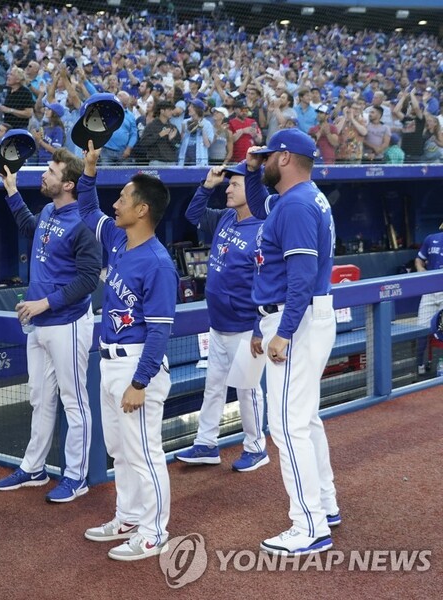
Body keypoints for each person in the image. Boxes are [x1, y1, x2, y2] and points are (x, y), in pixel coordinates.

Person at [77, 140, 176, 561]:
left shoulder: (157, 262)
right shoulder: (119, 244)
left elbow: (159, 333)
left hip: (138, 365)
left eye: (122, 198)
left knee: (145, 452)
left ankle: (156, 531)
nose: (114, 204)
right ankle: (129, 516)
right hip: (111, 361)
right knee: (120, 450)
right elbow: (86, 211)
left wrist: (140, 382)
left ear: (142, 210)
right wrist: (89, 170)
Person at [244, 128, 339, 556]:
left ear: (284, 158)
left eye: (265, 157)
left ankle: (309, 525)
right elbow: (261, 200)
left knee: (286, 425)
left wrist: (283, 332)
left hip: (294, 318)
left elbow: (301, 276)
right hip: (302, 316)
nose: (260, 162)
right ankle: (325, 504)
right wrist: (249, 172)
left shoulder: (298, 204)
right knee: (306, 420)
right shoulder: (303, 196)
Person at [0, 148, 101, 502]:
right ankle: (34, 468)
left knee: (74, 401)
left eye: (51, 171)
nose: (44, 174)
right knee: (40, 399)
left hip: (67, 322)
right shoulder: (48, 211)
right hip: (39, 323)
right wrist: (11, 190)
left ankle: (76, 477)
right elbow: (30, 226)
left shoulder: (84, 222)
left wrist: (45, 302)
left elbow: (88, 280)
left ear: (68, 183)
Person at [176, 162, 268, 471]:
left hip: (245, 326)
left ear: (253, 189)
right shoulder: (227, 217)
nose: (227, 189)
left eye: (234, 184)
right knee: (213, 386)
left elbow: (267, 283)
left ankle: (256, 447)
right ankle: (206, 444)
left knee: (247, 390)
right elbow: (192, 216)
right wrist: (207, 185)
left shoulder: (264, 230)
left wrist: (258, 329)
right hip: (218, 322)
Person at [414, 225, 443, 374]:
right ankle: (419, 366)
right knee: (421, 329)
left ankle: (441, 365)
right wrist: (422, 271)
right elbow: (419, 260)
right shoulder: (431, 239)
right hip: (430, 290)